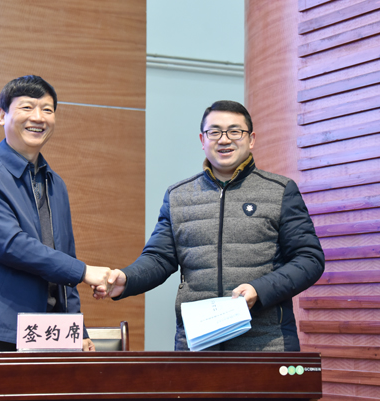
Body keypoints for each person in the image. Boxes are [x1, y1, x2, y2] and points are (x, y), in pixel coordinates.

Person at [94, 100, 324, 351]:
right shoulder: (178, 196)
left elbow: (309, 259)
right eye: (214, 132)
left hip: (267, 344)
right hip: (197, 346)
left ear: (251, 139)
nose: (224, 139)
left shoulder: (280, 191)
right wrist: (127, 279)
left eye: (235, 131)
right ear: (202, 140)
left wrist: (259, 290)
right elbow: (159, 259)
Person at [0, 75, 111, 352]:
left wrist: (76, 330)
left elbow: (65, 258)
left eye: (47, 110)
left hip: (46, 336)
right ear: (2, 115)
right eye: (26, 107)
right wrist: (84, 271)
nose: (38, 117)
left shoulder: (55, 184)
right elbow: (10, 245)